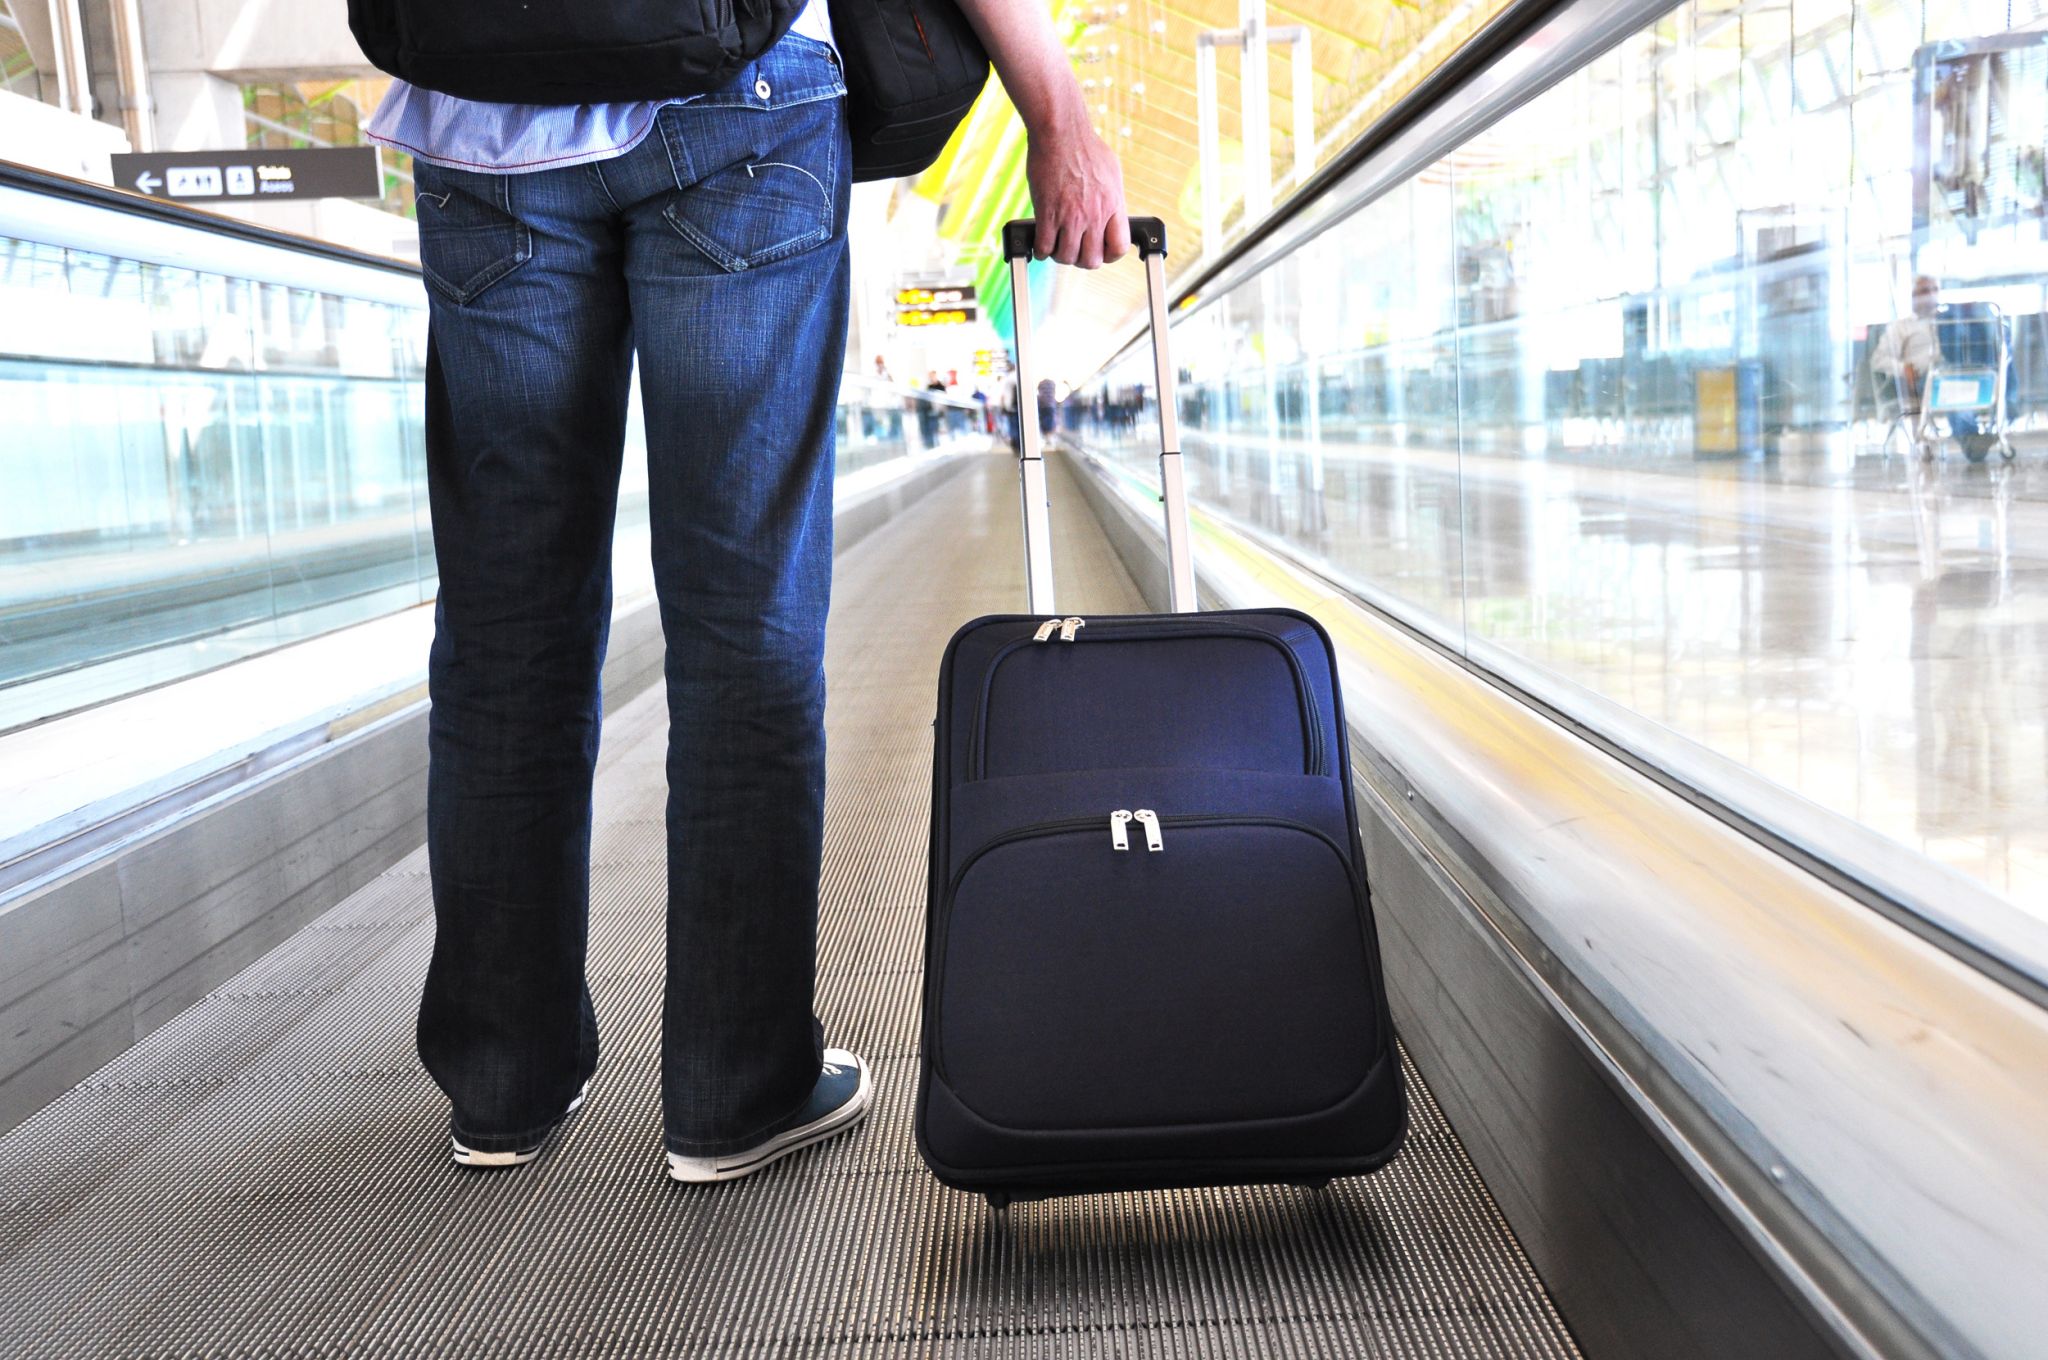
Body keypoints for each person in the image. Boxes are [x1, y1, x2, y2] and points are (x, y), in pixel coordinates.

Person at [361, 0, 1127, 1182]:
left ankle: (503, 1080)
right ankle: (735, 1086)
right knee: (745, 615)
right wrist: (1055, 108)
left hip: (481, 128)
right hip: (743, 108)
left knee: (506, 632)